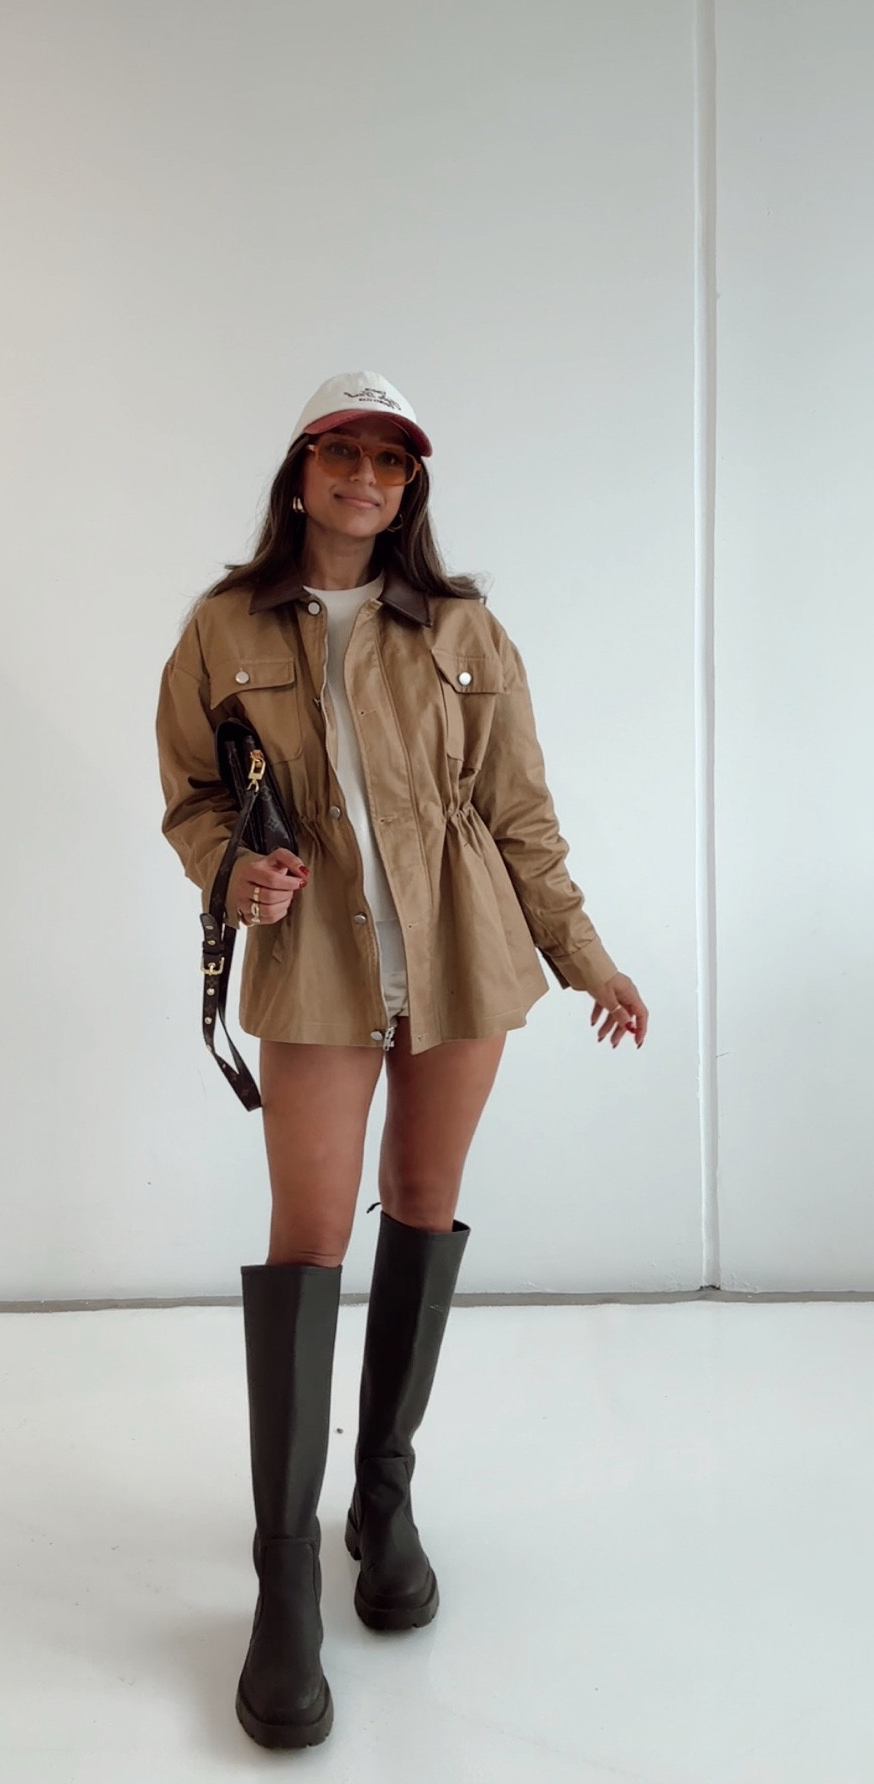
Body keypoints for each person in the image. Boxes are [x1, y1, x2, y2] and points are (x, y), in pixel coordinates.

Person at [156, 369, 648, 1749]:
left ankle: (383, 1498)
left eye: (392, 461)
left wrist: (587, 957)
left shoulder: (464, 626)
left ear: (410, 485)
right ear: (301, 469)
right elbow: (193, 797)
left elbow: (522, 816)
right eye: (345, 453)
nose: (366, 478)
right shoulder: (224, 626)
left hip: (463, 950)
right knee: (310, 1238)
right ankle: (285, 1578)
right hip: (316, 958)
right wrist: (233, 873)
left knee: (422, 1209)